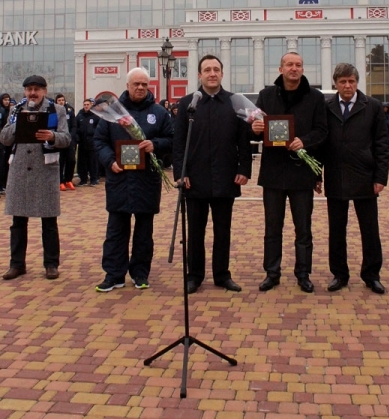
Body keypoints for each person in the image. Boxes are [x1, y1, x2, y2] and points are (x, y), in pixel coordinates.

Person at [173, 55, 252, 294]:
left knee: (222, 231)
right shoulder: (188, 103)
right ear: (199, 75)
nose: (212, 73)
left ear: (222, 73)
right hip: (194, 180)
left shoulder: (234, 102)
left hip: (225, 177)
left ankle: (222, 275)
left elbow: (244, 140)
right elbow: (178, 143)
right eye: (207, 70)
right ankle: (194, 276)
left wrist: (244, 169)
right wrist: (181, 172)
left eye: (216, 69)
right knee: (195, 232)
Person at [251, 51, 327, 293]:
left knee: (303, 228)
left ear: (303, 69)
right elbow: (253, 130)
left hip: (301, 173)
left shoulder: (315, 97)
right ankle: (272, 272)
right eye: (289, 65)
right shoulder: (266, 95)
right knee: (272, 227)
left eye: (298, 65)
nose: (294, 68)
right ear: (280, 69)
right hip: (273, 172)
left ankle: (303, 273)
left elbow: (323, 131)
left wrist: (304, 141)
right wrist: (254, 128)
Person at [94, 67, 173, 292]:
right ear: (127, 86)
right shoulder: (112, 113)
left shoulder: (159, 112)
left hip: (146, 180)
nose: (140, 88)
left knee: (144, 231)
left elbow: (172, 139)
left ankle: (140, 273)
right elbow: (99, 141)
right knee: (116, 229)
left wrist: (155, 145)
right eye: (136, 84)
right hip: (119, 178)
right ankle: (113, 274)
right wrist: (110, 161)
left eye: (144, 84)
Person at [322, 63, 389, 295]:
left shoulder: (372, 106)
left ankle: (372, 275)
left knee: (370, 230)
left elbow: (381, 143)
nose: (347, 85)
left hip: (365, 176)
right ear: (335, 83)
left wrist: (381, 176)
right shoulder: (327, 106)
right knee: (337, 230)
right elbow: (321, 143)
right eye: (343, 82)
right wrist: (316, 175)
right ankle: (339, 274)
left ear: (357, 82)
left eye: (351, 81)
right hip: (336, 176)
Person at [0, 75, 71, 280]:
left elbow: (66, 138)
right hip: (20, 171)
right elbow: (4, 139)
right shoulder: (16, 111)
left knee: (49, 221)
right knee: (18, 221)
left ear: (44, 91)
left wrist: (52, 136)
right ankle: (17, 264)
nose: (32, 93)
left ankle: (51, 264)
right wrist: (19, 122)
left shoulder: (56, 111)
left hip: (45, 171)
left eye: (36, 89)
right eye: (29, 89)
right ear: (24, 92)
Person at [55, 94, 77, 190]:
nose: (61, 101)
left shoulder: (70, 110)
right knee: (61, 161)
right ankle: (61, 181)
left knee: (71, 160)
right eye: (59, 100)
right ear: (56, 101)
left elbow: (74, 125)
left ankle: (69, 180)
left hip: (69, 140)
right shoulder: (54, 111)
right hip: (59, 140)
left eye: (62, 100)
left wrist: (70, 136)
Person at [76, 98, 100, 186]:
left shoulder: (95, 116)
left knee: (93, 162)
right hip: (82, 142)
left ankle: (94, 179)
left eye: (87, 105)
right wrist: (77, 137)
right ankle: (83, 179)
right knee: (82, 162)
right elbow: (76, 127)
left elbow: (99, 129)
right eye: (85, 105)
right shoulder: (80, 115)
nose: (86, 106)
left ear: (91, 105)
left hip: (92, 142)